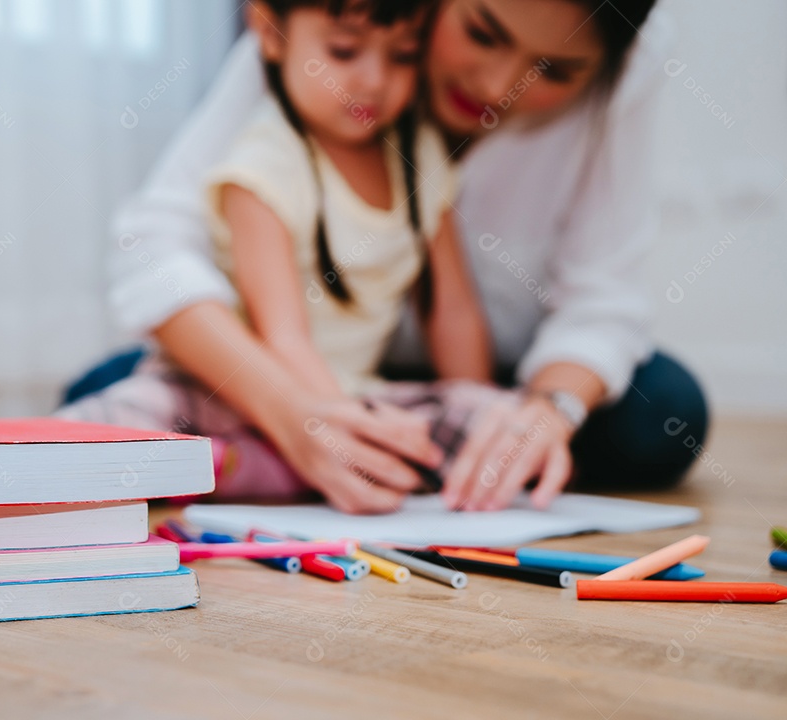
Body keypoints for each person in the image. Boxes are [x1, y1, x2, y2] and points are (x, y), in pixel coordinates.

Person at [75, 0, 709, 513]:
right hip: (289, 368)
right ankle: (291, 450)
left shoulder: (424, 156)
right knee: (109, 395)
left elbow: (593, 302)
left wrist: (526, 413)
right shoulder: (333, 21)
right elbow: (161, 249)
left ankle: (269, 459)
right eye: (482, 32)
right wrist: (302, 416)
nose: (497, 85)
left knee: (664, 413)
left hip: (445, 380)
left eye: (557, 71)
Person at [57, 0, 516, 513]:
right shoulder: (262, 165)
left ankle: (238, 468)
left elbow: (453, 311)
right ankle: (248, 463)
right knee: (119, 417)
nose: (373, 79)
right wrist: (340, 430)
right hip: (233, 395)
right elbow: (284, 335)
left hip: (356, 392)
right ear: (270, 34)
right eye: (343, 52)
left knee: (496, 416)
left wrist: (481, 421)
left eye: (403, 56)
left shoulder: (420, 153)